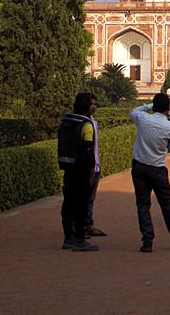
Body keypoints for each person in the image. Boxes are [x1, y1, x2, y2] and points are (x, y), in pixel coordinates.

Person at [130, 93, 170, 252]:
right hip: (157, 168)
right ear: (168, 108)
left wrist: (149, 106)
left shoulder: (143, 119)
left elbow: (133, 111)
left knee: (143, 205)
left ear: (154, 106)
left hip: (139, 166)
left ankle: (147, 242)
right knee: (167, 205)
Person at [58, 92, 99, 251]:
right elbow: (88, 152)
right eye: (92, 104)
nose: (94, 107)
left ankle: (68, 237)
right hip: (81, 169)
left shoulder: (66, 121)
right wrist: (91, 172)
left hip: (68, 166)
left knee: (68, 203)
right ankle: (80, 239)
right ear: (86, 107)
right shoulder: (86, 125)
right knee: (82, 204)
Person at [84, 93, 107, 239]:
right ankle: (78, 227)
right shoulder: (82, 123)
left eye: (95, 104)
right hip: (87, 167)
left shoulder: (93, 121)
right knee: (82, 198)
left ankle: (88, 224)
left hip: (95, 165)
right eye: (91, 104)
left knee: (90, 198)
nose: (94, 107)